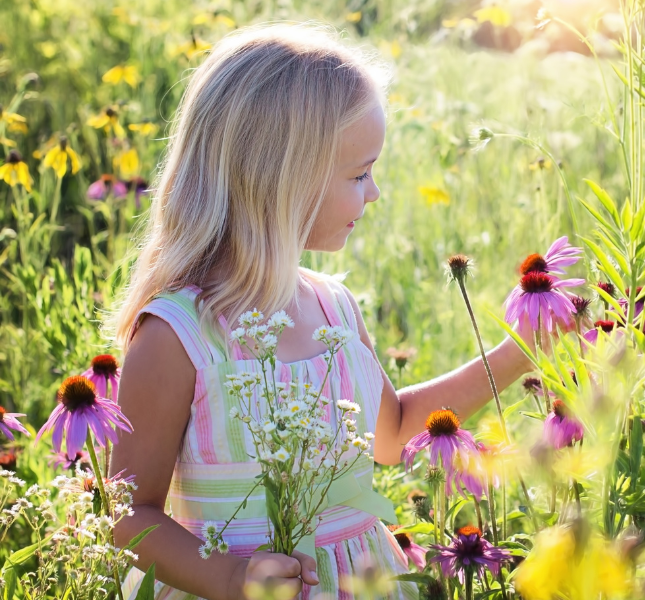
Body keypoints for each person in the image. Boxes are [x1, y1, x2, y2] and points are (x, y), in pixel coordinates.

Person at [108, 23, 533, 600]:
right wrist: (231, 577)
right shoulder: (179, 336)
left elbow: (394, 434)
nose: (375, 193)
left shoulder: (334, 307)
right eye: (360, 174)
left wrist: (522, 349)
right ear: (282, 181)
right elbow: (127, 515)